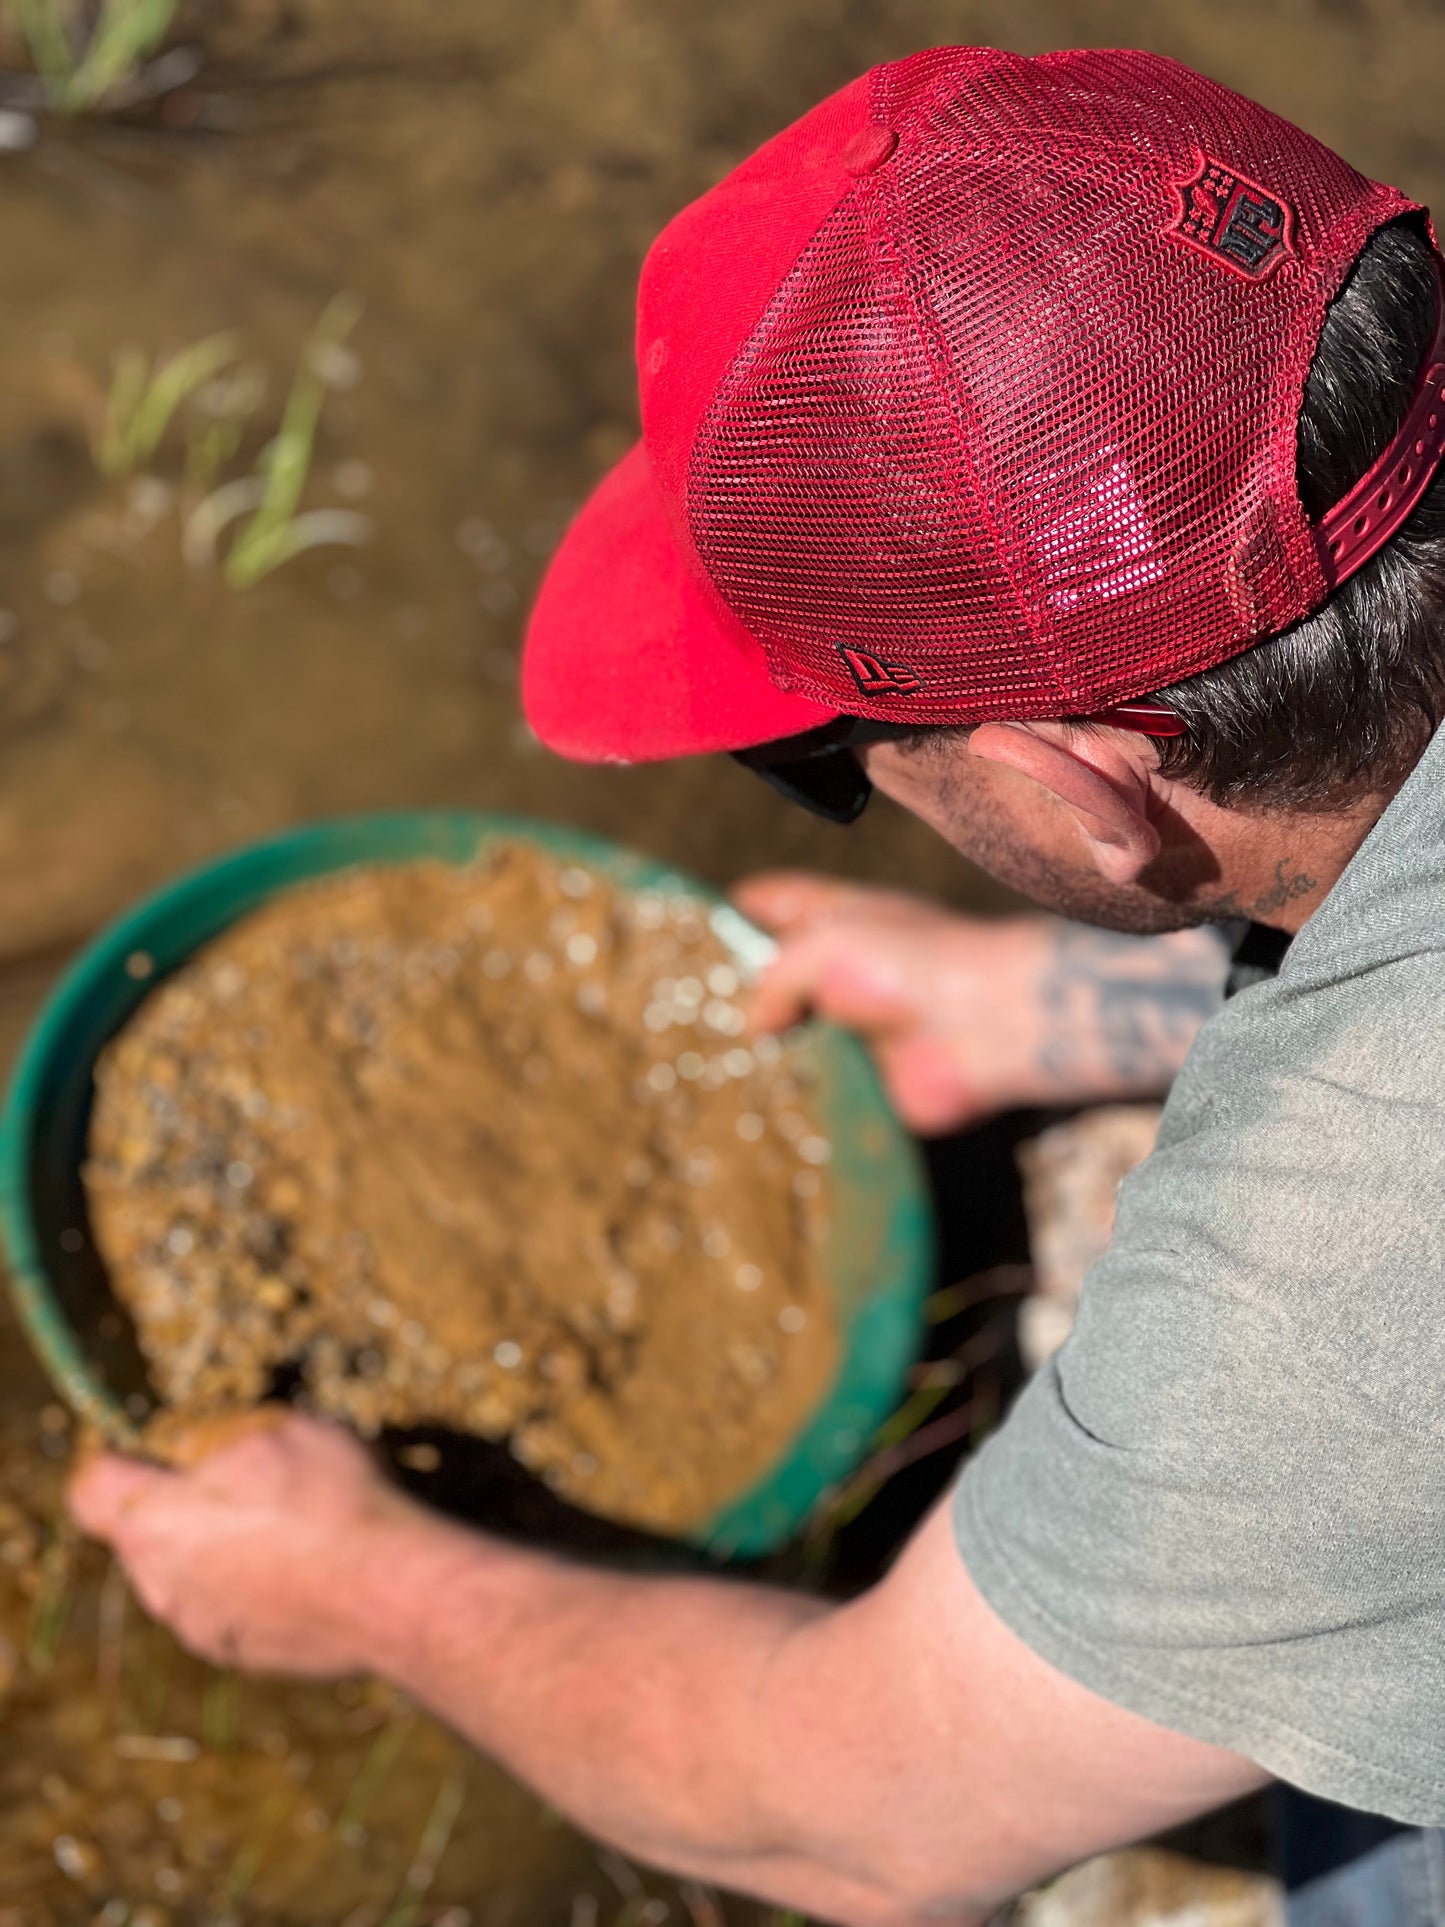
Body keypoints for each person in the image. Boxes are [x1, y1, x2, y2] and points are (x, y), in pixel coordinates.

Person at [71, 45, 1445, 1927]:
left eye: (837, 765)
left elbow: (848, 1811)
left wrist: (357, 1584)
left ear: (1073, 781)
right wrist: (1052, 1005)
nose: (858, 799)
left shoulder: (1330, 1270)